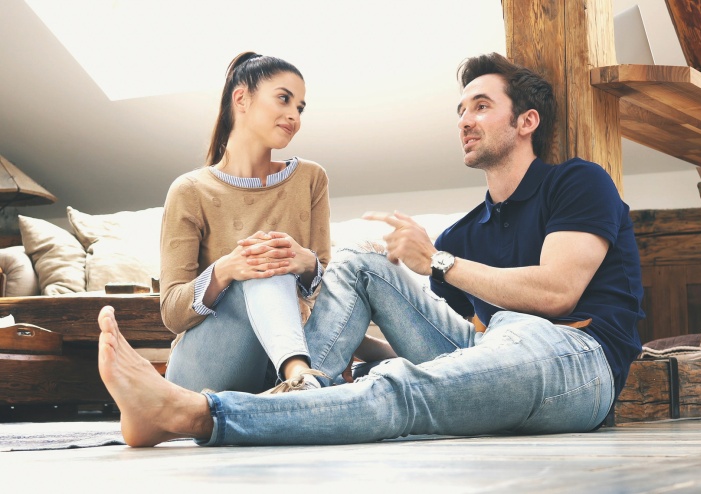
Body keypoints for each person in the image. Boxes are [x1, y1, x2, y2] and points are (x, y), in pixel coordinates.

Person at [97, 52, 644, 447]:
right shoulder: (463, 234)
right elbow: (464, 354)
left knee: (404, 390)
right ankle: (303, 385)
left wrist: (438, 264)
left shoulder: (576, 182)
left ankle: (199, 413)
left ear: (526, 122)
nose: (464, 120)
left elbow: (557, 292)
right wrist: (364, 340)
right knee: (360, 262)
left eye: (480, 106)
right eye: (460, 110)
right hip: (495, 349)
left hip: (576, 358)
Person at [161, 51, 331, 395]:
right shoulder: (190, 190)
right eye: (284, 99)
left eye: (299, 107)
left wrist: (308, 264)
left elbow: (335, 297)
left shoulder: (311, 179)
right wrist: (226, 270)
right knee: (263, 260)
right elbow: (172, 313)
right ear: (242, 98)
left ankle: (286, 390)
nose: (293, 116)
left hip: (274, 365)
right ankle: (299, 376)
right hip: (206, 367)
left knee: (275, 260)